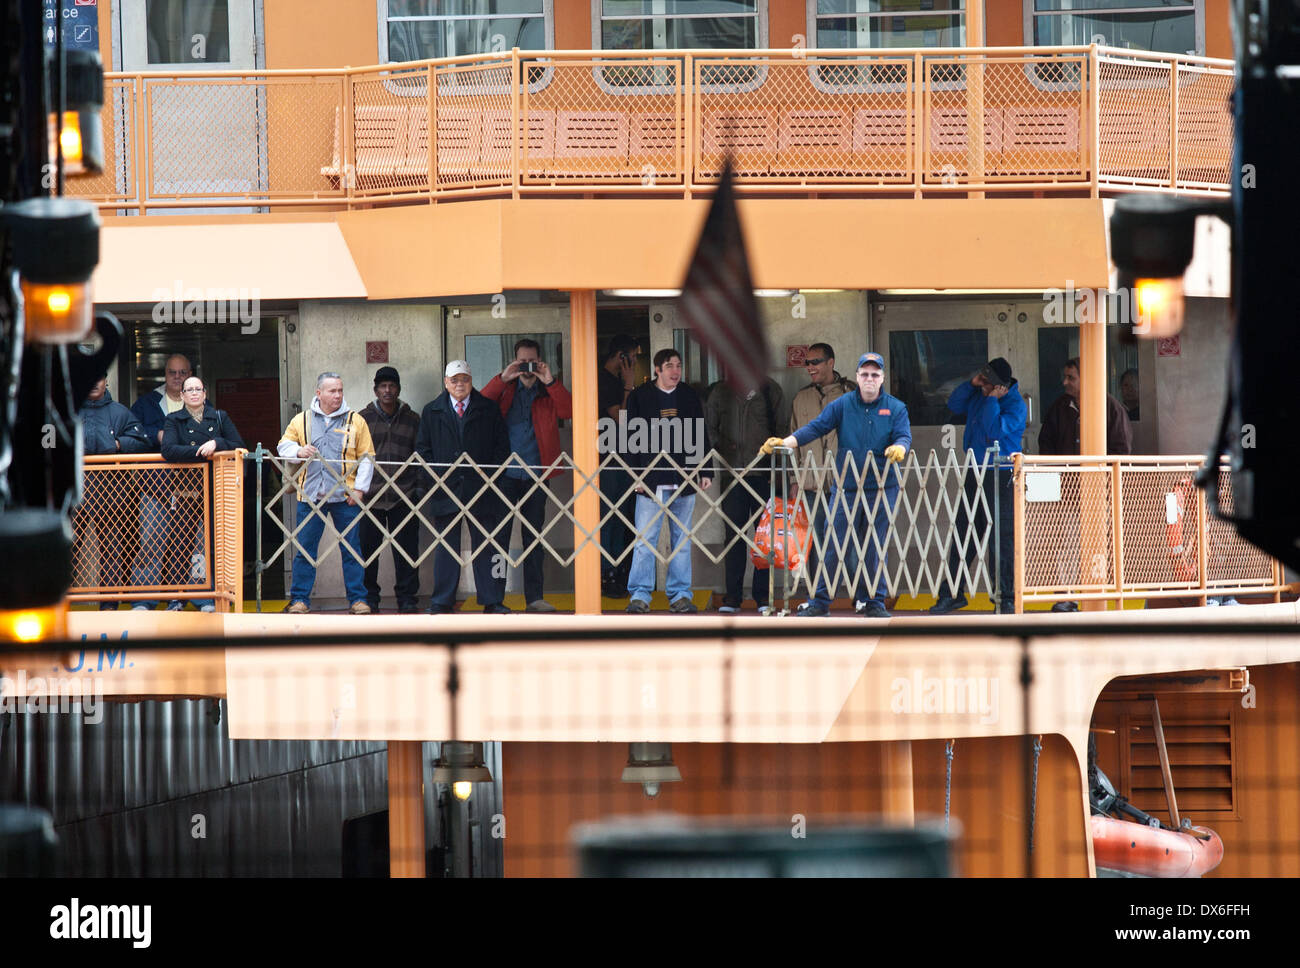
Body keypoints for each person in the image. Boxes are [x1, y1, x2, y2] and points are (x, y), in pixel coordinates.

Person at [761, 353, 911, 618]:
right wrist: (786, 442)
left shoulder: (896, 407)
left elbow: (903, 435)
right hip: (847, 487)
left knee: (876, 545)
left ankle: (874, 602)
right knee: (833, 543)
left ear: (882, 378)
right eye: (864, 374)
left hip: (881, 486)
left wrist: (899, 447)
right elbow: (816, 427)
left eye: (875, 375)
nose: (869, 379)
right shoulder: (843, 405)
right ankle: (820, 602)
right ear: (857, 376)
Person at [482, 339, 573, 613]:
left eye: (532, 362)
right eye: (522, 362)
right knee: (499, 537)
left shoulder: (547, 393)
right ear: (515, 361)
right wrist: (503, 378)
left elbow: (569, 411)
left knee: (534, 537)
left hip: (537, 472)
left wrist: (551, 380)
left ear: (540, 361)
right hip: (505, 474)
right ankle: (494, 598)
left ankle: (534, 597)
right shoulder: (506, 391)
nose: (527, 368)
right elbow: (480, 406)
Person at [930, 357, 1027, 615]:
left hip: (1003, 473)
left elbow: (995, 430)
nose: (982, 386)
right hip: (976, 469)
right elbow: (954, 403)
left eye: (988, 384)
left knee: (1002, 538)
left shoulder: (1014, 404)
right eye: (982, 380)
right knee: (964, 532)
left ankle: (1006, 596)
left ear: (1001, 387)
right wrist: (971, 384)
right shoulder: (977, 392)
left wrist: (992, 400)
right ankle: (952, 592)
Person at [416, 360, 511, 615]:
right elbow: (422, 451)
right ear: (446, 382)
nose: (460, 384)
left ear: (471, 381)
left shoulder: (489, 409)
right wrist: (435, 479)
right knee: (446, 546)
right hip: (445, 489)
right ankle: (442, 601)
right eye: (454, 380)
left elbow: (502, 448)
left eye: (464, 379)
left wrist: (492, 480)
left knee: (488, 545)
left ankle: (493, 600)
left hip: (482, 489)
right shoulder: (431, 411)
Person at [623, 348, 713, 614]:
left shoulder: (688, 395)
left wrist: (705, 470)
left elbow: (699, 432)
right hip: (650, 479)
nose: (676, 371)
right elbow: (630, 439)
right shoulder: (640, 396)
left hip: (683, 478)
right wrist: (636, 474)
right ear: (657, 370)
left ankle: (680, 595)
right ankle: (640, 595)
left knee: (682, 541)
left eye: (678, 365)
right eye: (669, 366)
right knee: (644, 541)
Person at [277, 372, 376, 615]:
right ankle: (300, 600)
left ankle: (357, 600)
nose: (338, 395)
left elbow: (367, 457)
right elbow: (283, 445)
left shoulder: (356, 421)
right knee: (304, 550)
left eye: (340, 390)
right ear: (318, 393)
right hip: (311, 495)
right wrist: (299, 451)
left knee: (352, 550)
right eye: (332, 391)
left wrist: (360, 489)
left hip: (345, 496)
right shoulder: (301, 420)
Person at [160, 377, 245, 612]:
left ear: (205, 393)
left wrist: (216, 442)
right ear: (182, 395)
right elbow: (168, 449)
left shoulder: (219, 417)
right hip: (186, 491)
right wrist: (201, 451)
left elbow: (238, 443)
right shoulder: (173, 419)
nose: (194, 393)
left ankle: (217, 597)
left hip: (218, 490)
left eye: (198, 389)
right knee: (180, 544)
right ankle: (176, 597)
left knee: (218, 544)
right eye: (189, 390)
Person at [706, 374, 787, 614]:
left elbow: (783, 430)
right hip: (732, 476)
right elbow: (709, 429)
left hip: (764, 474)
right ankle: (733, 597)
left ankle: (763, 596)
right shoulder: (720, 391)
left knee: (764, 537)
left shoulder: (770, 389)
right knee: (733, 537)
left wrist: (778, 469)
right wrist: (723, 447)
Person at [77, 376, 150, 610]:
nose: (94, 382)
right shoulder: (66, 410)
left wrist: (119, 444)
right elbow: (46, 440)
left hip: (111, 492)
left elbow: (142, 441)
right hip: (75, 491)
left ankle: (109, 607)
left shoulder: (120, 412)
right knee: (68, 548)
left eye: (99, 378)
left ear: (106, 381)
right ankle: (57, 603)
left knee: (111, 550)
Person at [128, 353, 193, 611]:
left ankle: (185, 598)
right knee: (150, 544)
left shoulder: (200, 402)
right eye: (172, 373)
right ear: (165, 375)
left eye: (183, 373)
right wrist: (157, 434)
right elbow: (133, 434)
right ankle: (144, 600)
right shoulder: (146, 403)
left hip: (191, 489)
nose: (177, 378)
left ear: (190, 375)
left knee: (190, 545)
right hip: (153, 487)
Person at [359, 366, 423, 614]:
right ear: (375, 390)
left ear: (398, 389)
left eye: (392, 386)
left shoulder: (413, 419)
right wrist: (357, 490)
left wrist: (418, 490)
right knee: (367, 554)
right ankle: (369, 599)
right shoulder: (362, 418)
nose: (388, 390)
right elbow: (352, 457)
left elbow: (420, 457)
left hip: (404, 496)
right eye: (383, 386)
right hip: (370, 497)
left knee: (407, 553)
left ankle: (407, 599)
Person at [598, 334, 641, 596]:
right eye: (632, 358)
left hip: (623, 457)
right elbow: (621, 419)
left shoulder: (612, 380)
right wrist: (628, 385)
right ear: (620, 357)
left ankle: (617, 570)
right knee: (609, 518)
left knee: (621, 517)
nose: (635, 363)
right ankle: (606, 573)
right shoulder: (605, 381)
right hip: (608, 459)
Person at [1038, 358, 1133, 457]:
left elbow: (1122, 449)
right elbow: (1045, 443)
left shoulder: (1112, 408)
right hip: (1065, 471)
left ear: (1086, 379)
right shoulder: (1058, 406)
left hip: (1100, 472)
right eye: (1064, 377)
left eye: (1071, 378)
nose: (1065, 382)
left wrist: (1102, 470)